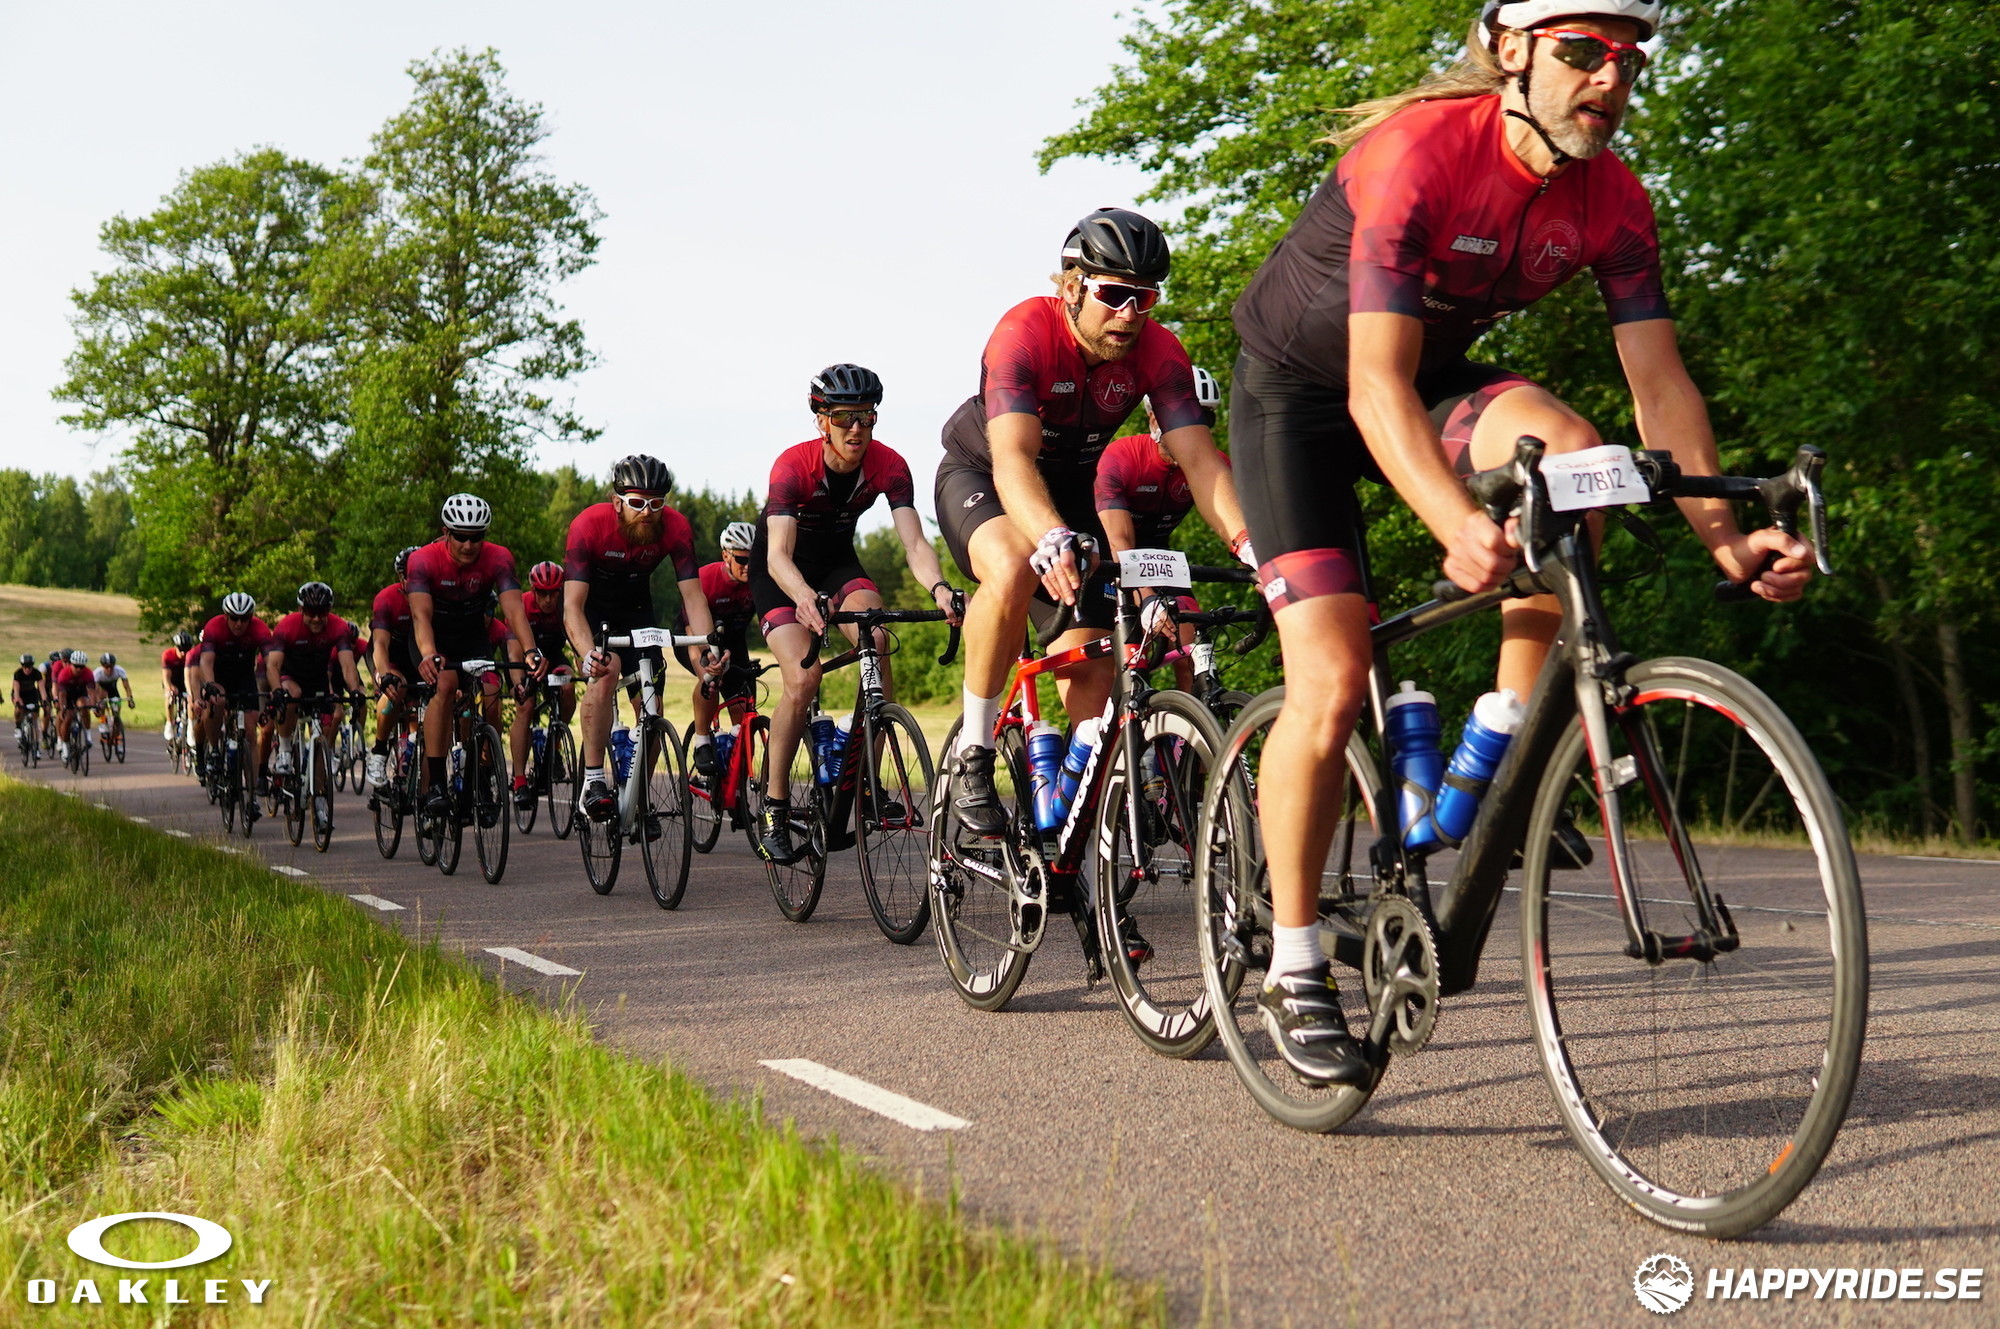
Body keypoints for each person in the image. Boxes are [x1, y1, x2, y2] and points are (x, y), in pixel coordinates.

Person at [1225, 0, 1814, 1085]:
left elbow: (1658, 383)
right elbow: (1369, 385)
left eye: (1627, 59)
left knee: (1577, 457)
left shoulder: (1613, 198)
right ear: (1510, 51)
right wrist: (1453, 522)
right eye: (1581, 51)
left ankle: (1497, 742)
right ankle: (1295, 965)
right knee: (1331, 677)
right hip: (1297, 399)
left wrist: (1726, 540)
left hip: (1426, 379)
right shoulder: (1416, 155)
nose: (1610, 78)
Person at [935, 208, 1251, 835]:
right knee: (1012, 565)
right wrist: (1050, 536)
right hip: (987, 474)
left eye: (1145, 298)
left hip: (1071, 488)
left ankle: (1078, 822)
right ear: (1073, 285)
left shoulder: (1160, 351)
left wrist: (1252, 546)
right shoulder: (1024, 332)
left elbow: (1201, 462)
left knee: (1094, 668)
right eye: (1114, 295)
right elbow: (1014, 459)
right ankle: (974, 752)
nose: (1130, 314)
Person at [749, 365, 961, 862]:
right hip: (781, 573)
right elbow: (778, 554)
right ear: (822, 420)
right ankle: (774, 806)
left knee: (878, 639)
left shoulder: (890, 465)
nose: (857, 428)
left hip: (838, 565)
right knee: (804, 679)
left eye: (867, 416)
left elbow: (914, 542)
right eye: (845, 417)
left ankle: (866, 783)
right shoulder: (793, 466)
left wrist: (939, 588)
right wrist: (804, 597)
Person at [561, 455, 717, 824]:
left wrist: (707, 649)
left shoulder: (675, 527)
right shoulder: (588, 525)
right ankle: (593, 781)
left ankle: (639, 799)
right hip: (593, 610)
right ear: (616, 502)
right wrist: (587, 654)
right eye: (637, 502)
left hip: (636, 610)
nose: (647, 512)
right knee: (606, 670)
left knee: (652, 708)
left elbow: (693, 597)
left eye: (656, 503)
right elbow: (571, 607)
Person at [406, 495, 548, 818]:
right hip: (434, 637)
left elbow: (514, 611)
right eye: (461, 536)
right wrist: (429, 654)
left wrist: (531, 651)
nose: (469, 545)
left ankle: (482, 776)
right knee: (445, 685)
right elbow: (420, 617)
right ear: (446, 532)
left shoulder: (499, 557)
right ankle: (436, 784)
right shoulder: (423, 560)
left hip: (472, 636)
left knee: (491, 690)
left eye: (477, 537)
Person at [1094, 365, 1227, 691]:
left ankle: (1192, 723)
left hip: (1160, 559)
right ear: (1154, 420)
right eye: (1179, 417)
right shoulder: (1123, 456)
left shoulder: (1215, 465)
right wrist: (1146, 596)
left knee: (1192, 653)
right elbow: (1119, 539)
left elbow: (1238, 526)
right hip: (1110, 555)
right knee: (1122, 667)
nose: (1191, 428)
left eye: (1203, 419)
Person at [264, 582, 365, 786]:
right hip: (290, 675)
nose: (317, 618)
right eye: (311, 612)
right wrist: (276, 691)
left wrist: (354, 691)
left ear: (330, 609)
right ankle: (284, 750)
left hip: (318, 679)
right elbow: (273, 665)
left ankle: (318, 792)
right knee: (292, 694)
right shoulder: (287, 626)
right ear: (301, 609)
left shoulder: (338, 627)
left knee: (322, 735)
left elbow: (347, 665)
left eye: (322, 612)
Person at [680, 521, 757, 782]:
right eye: (741, 560)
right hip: (696, 636)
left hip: (733, 643)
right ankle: (702, 741)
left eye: (753, 560)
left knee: (745, 715)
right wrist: (705, 662)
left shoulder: (758, 582)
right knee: (709, 680)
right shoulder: (707, 579)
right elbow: (692, 632)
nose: (748, 566)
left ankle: (732, 779)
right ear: (726, 556)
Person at [197, 593, 277, 812]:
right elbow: (206, 661)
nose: (239, 623)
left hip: (244, 678)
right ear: (226, 616)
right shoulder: (214, 626)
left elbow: (271, 664)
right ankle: (214, 749)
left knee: (250, 734)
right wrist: (210, 685)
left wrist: (276, 689)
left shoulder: (259, 629)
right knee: (218, 701)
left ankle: (251, 796)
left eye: (244, 618)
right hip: (219, 676)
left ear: (251, 617)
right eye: (234, 618)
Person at [509, 559, 576, 809]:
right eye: (542, 593)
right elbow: (513, 652)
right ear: (533, 590)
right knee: (525, 706)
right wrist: (518, 683)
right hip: (524, 658)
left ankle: (555, 741)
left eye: (553, 593)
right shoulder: (523, 606)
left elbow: (577, 641)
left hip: (554, 655)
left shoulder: (566, 606)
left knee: (568, 686)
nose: (548, 600)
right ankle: (519, 780)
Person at [365, 546, 423, 792]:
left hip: (419, 657)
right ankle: (379, 751)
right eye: (410, 577)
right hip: (390, 656)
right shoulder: (387, 598)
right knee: (395, 688)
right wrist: (384, 673)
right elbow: (379, 644)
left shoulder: (435, 596)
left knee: (422, 715)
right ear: (401, 577)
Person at [93, 652, 135, 748]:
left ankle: (116, 736)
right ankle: (103, 722)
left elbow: (127, 687)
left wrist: (130, 699)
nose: (109, 669)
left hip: (113, 690)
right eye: (106, 667)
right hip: (101, 690)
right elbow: (95, 691)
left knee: (117, 713)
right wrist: (97, 704)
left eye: (111, 667)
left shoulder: (119, 670)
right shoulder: (97, 673)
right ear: (102, 666)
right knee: (101, 703)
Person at [11, 652, 42, 746]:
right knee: (19, 709)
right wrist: (17, 700)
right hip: (19, 693)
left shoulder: (37, 673)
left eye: (30, 666)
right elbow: (16, 690)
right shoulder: (18, 673)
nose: (27, 669)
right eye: (25, 666)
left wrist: (44, 700)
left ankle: (36, 746)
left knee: (34, 720)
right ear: (22, 666)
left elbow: (42, 689)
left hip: (31, 694)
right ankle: (18, 727)